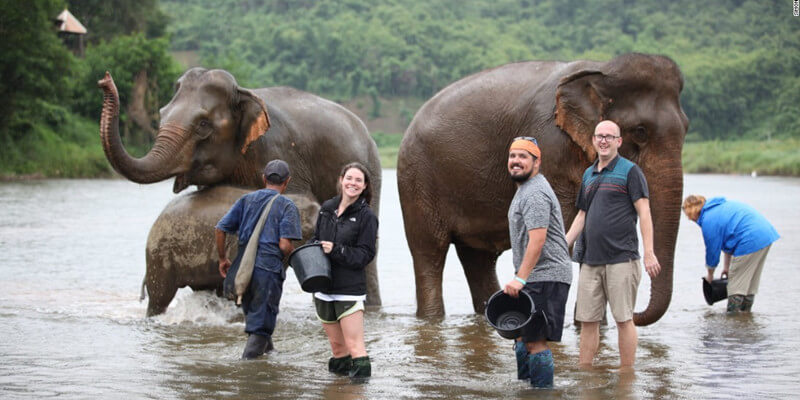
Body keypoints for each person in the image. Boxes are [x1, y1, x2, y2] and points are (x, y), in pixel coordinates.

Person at [565, 120, 661, 367]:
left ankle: (626, 377)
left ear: (619, 141)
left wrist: (649, 252)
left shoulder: (630, 171)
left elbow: (645, 212)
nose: (604, 140)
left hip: (622, 259)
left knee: (623, 319)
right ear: (594, 141)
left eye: (609, 136)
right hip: (590, 261)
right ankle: (585, 373)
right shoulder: (589, 174)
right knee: (588, 320)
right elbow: (582, 215)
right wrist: (563, 243)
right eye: (599, 136)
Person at [215, 159, 302, 359]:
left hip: (243, 271)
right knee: (261, 327)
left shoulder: (246, 200)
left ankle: (269, 354)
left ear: (264, 179)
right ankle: (247, 376)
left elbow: (220, 229)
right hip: (268, 272)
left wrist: (222, 259)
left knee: (257, 319)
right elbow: (284, 245)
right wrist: (293, 251)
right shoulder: (287, 206)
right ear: (287, 182)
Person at [503, 136, 572, 388]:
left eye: (523, 157)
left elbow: (538, 240)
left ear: (536, 161)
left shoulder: (534, 193)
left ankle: (542, 393)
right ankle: (526, 388)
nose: (516, 161)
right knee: (522, 337)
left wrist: (520, 278)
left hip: (547, 275)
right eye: (513, 156)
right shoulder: (526, 189)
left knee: (535, 341)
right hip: (536, 276)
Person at [311, 162, 378, 381]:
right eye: (349, 178)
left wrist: (336, 250)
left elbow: (365, 255)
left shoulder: (367, 216)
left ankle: (360, 390)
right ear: (341, 180)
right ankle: (338, 391)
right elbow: (315, 239)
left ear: (365, 185)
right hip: (323, 288)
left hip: (349, 291)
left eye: (358, 180)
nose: (353, 183)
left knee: (355, 347)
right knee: (338, 348)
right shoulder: (327, 207)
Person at [682, 194, 779, 313]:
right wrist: (726, 267)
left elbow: (712, 252)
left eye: (689, 216)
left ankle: (733, 321)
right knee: (749, 285)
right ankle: (746, 318)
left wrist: (710, 275)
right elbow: (727, 242)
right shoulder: (717, 209)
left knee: (735, 286)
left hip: (749, 239)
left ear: (692, 212)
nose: (690, 219)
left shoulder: (708, 220)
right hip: (765, 236)